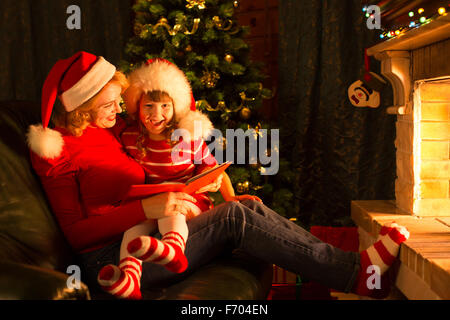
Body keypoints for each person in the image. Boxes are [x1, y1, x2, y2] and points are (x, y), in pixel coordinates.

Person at [28, 51, 409, 300]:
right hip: (115, 261)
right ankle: (357, 273)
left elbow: (163, 109)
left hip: (152, 234)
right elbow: (76, 234)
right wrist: (146, 207)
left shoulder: (105, 130)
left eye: (117, 102)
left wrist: (194, 187)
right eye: (109, 104)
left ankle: (353, 267)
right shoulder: (56, 151)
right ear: (80, 107)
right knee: (237, 219)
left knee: (245, 208)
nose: (119, 110)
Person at [96, 58, 261, 299]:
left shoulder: (187, 138)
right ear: (137, 106)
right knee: (134, 227)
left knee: (170, 207)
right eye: (149, 106)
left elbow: (216, 169)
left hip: (187, 203)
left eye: (165, 106)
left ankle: (173, 248)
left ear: (176, 108)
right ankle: (129, 278)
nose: (156, 114)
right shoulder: (130, 136)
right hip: (150, 203)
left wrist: (231, 197)